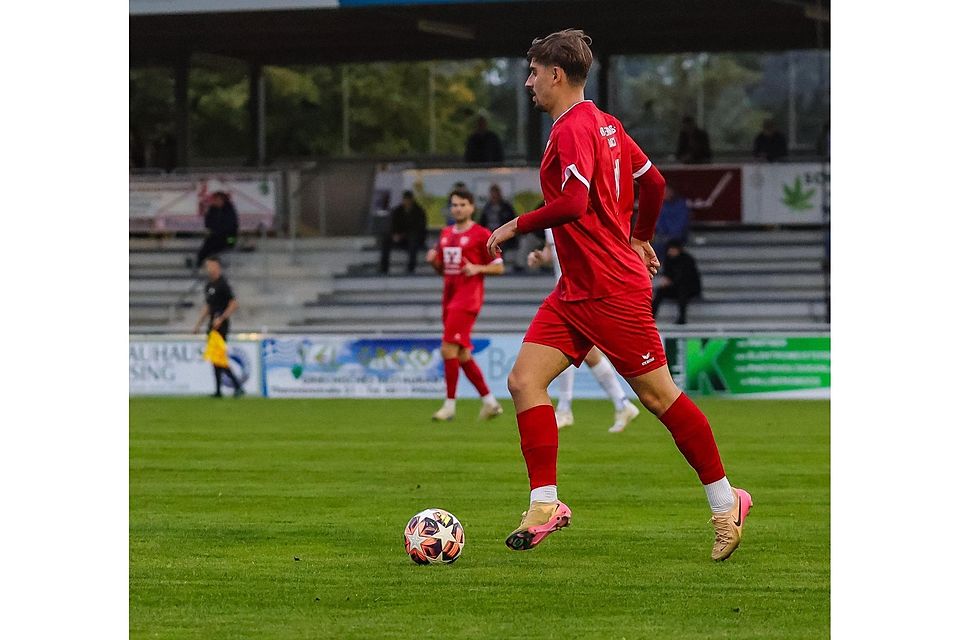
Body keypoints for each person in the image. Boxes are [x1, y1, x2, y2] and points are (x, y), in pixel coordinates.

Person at [486, 29, 751, 561]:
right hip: (576, 289)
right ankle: (545, 504)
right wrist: (642, 234)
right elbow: (652, 183)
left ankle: (727, 501)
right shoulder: (606, 125)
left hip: (612, 289)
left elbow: (573, 203)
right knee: (523, 380)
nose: (528, 82)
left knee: (658, 397)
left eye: (533, 72)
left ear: (556, 75)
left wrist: (514, 225)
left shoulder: (571, 131)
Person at [527, 228, 641, 432]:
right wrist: (539, 257)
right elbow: (551, 251)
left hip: (582, 295)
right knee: (585, 353)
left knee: (563, 348)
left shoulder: (575, 211)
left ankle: (565, 410)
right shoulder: (549, 220)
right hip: (565, 295)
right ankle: (622, 404)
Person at [425, 188, 506, 422]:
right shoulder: (445, 234)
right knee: (461, 353)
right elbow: (444, 270)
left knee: (447, 349)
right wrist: (433, 263)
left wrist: (478, 268)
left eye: (462, 204)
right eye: (454, 205)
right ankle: (490, 403)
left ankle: (449, 406)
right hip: (449, 296)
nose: (458, 209)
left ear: (471, 207)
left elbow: (500, 266)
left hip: (468, 297)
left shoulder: (482, 234)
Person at [192, 256, 245, 398]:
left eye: (211, 266)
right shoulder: (209, 286)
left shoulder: (223, 284)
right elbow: (208, 307)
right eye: (207, 266)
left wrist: (221, 318)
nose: (209, 269)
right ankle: (219, 390)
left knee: (218, 358)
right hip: (211, 326)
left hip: (221, 326)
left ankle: (236, 386)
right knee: (215, 359)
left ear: (217, 266)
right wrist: (198, 324)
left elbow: (234, 304)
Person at [653, 239, 702, 325]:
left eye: (673, 249)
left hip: (689, 288)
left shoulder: (688, 260)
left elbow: (688, 278)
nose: (671, 251)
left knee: (682, 290)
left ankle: (682, 318)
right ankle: (652, 317)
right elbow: (667, 274)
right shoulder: (668, 260)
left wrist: (671, 281)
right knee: (660, 291)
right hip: (675, 287)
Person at [380, 191, 427, 274]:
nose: (407, 202)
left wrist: (403, 235)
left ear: (412, 200)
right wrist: (394, 234)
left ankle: (411, 268)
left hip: (414, 238)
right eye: (405, 200)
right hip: (400, 237)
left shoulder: (419, 211)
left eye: (409, 200)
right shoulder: (397, 211)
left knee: (413, 239)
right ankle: (384, 268)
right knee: (386, 239)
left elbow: (419, 228)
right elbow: (393, 225)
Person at [196, 191, 239, 268]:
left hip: (231, 238)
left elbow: (230, 226)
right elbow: (208, 224)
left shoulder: (229, 210)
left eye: (216, 199)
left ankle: (209, 263)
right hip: (216, 236)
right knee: (207, 245)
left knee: (215, 244)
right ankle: (200, 264)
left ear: (222, 200)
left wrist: (216, 231)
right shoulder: (212, 209)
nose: (214, 201)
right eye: (213, 199)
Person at [651, 183, 690, 260]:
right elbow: (657, 223)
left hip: (677, 237)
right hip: (662, 236)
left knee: (669, 246)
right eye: (663, 191)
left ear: (672, 191)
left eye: (667, 191)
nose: (665, 194)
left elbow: (681, 224)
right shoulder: (660, 205)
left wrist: (670, 235)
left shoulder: (681, 205)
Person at [479, 184, 518, 263]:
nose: (494, 195)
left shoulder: (506, 207)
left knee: (501, 242)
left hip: (504, 232)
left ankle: (499, 262)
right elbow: (482, 222)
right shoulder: (487, 207)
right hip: (489, 232)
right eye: (492, 193)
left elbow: (513, 221)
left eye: (496, 193)